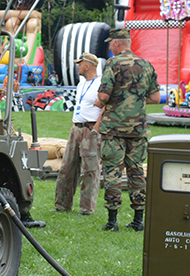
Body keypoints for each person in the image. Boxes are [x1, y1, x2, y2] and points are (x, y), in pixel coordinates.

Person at [94, 29, 160, 232]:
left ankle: (112, 221)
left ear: (116, 44)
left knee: (112, 171)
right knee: (136, 170)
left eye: (111, 44)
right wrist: (135, 101)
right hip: (138, 128)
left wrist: (104, 101)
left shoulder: (112, 64)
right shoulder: (146, 65)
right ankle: (138, 220)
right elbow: (155, 99)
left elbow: (104, 96)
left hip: (113, 128)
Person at [51, 52, 102, 215]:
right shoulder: (82, 83)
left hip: (90, 129)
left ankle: (87, 208)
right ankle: (62, 205)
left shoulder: (101, 83)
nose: (77, 66)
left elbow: (107, 107)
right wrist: (73, 126)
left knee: (90, 170)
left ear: (88, 65)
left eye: (79, 64)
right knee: (67, 167)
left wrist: (96, 129)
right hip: (77, 128)